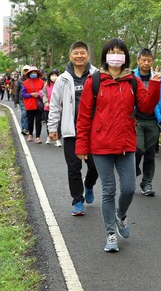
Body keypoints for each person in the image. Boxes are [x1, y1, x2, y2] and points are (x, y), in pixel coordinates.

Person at [75, 38, 161, 253]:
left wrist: (156, 84)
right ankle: (110, 233)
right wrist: (81, 146)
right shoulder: (94, 81)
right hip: (101, 145)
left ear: (125, 57)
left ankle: (121, 215)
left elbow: (147, 106)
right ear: (105, 55)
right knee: (108, 191)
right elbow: (84, 116)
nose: (116, 56)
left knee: (130, 188)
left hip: (126, 144)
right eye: (112, 52)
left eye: (120, 52)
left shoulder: (133, 81)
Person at [48, 41, 99, 216]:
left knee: (96, 165)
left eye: (82, 53)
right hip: (71, 130)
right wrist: (52, 127)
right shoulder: (63, 79)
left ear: (88, 55)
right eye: (76, 53)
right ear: (70, 56)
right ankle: (77, 200)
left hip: (94, 130)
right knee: (73, 167)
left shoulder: (97, 75)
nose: (79, 56)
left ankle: (89, 184)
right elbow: (55, 105)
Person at [133, 48, 161, 196]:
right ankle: (134, 170)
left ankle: (147, 182)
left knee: (150, 153)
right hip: (136, 119)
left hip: (153, 120)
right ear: (138, 61)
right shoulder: (132, 77)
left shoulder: (158, 78)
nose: (146, 63)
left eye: (149, 60)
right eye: (143, 60)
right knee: (138, 149)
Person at [21, 66, 44, 143]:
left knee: (38, 121)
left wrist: (39, 94)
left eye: (35, 72)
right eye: (32, 72)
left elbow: (45, 92)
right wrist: (31, 94)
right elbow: (23, 94)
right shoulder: (25, 83)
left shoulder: (41, 82)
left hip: (39, 104)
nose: (34, 74)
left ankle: (38, 137)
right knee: (30, 121)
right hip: (29, 104)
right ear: (29, 74)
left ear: (37, 73)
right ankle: (30, 134)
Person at [43, 69, 61, 147]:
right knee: (49, 123)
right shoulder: (46, 84)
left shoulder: (60, 84)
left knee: (58, 124)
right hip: (48, 107)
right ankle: (48, 136)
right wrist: (46, 102)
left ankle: (58, 139)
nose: (54, 77)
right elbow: (44, 94)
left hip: (58, 108)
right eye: (52, 75)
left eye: (55, 75)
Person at [15, 65, 31, 135]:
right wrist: (16, 101)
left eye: (27, 70)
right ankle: (24, 128)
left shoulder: (32, 79)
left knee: (29, 114)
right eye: (25, 70)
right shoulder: (20, 80)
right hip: (22, 99)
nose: (26, 72)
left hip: (30, 99)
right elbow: (17, 90)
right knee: (24, 114)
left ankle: (28, 128)